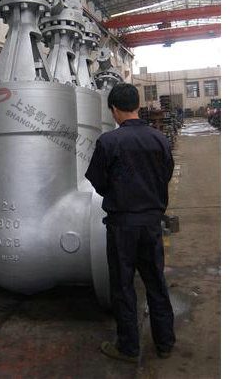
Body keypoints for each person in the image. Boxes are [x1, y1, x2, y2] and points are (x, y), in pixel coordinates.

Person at [85, 83, 175, 363]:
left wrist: (120, 191)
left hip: (122, 225)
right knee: (156, 282)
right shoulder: (159, 140)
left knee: (123, 287)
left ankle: (128, 347)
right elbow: (165, 174)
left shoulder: (108, 142)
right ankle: (165, 343)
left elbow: (98, 181)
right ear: (138, 106)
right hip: (151, 223)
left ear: (114, 110)